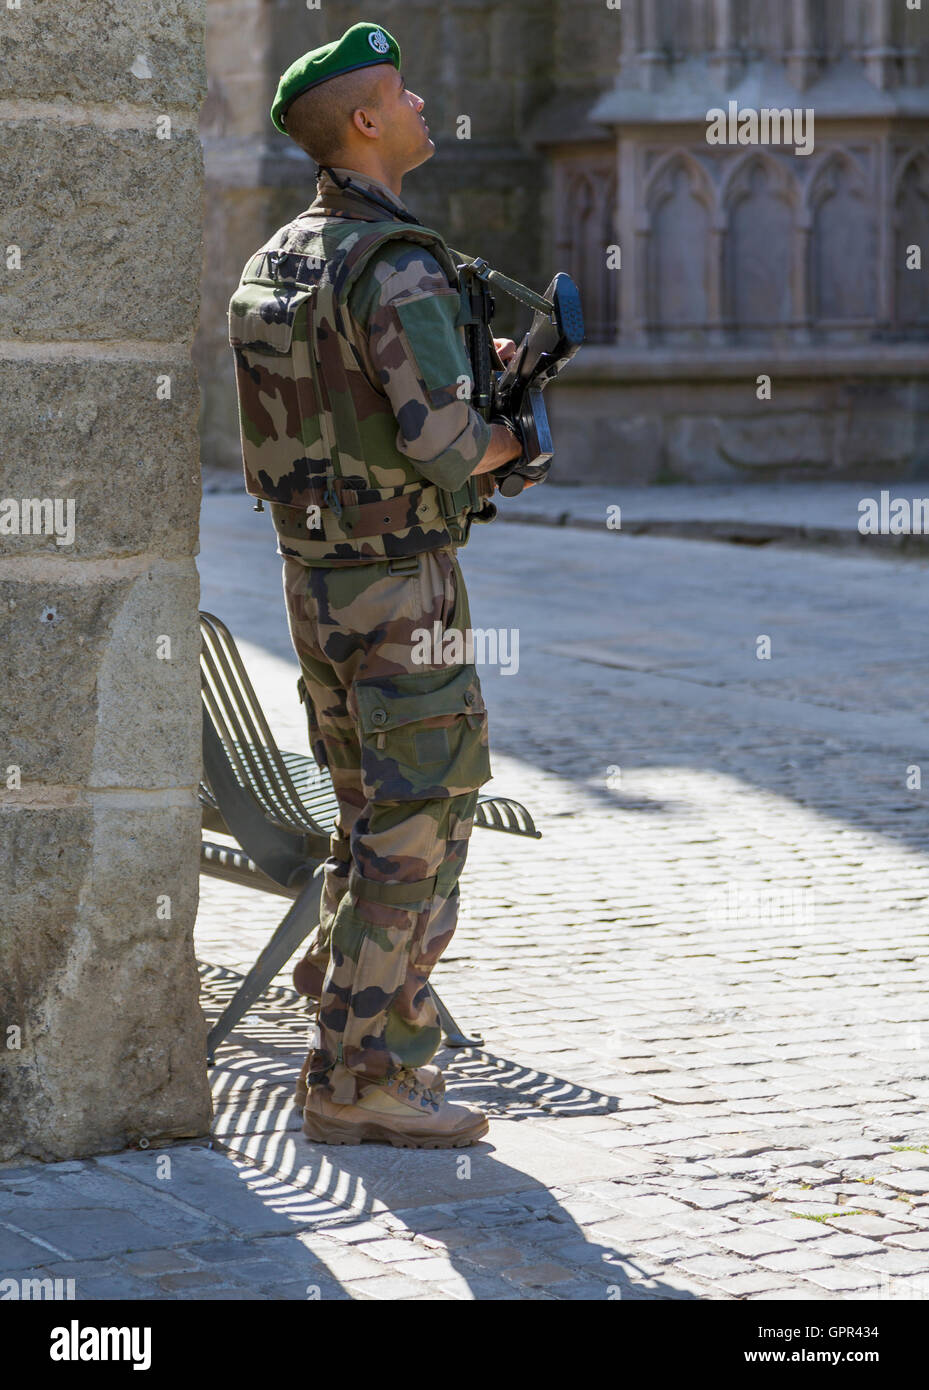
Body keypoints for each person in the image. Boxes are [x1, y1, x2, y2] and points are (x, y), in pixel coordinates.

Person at [228, 21, 524, 1147]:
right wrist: (513, 427)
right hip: (402, 586)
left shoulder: (277, 259)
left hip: (317, 580)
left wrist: (461, 386)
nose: (420, 108)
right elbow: (445, 442)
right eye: (402, 95)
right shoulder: (394, 262)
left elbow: (344, 403)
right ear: (364, 123)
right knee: (421, 824)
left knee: (370, 817)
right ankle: (360, 1078)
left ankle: (364, 1031)